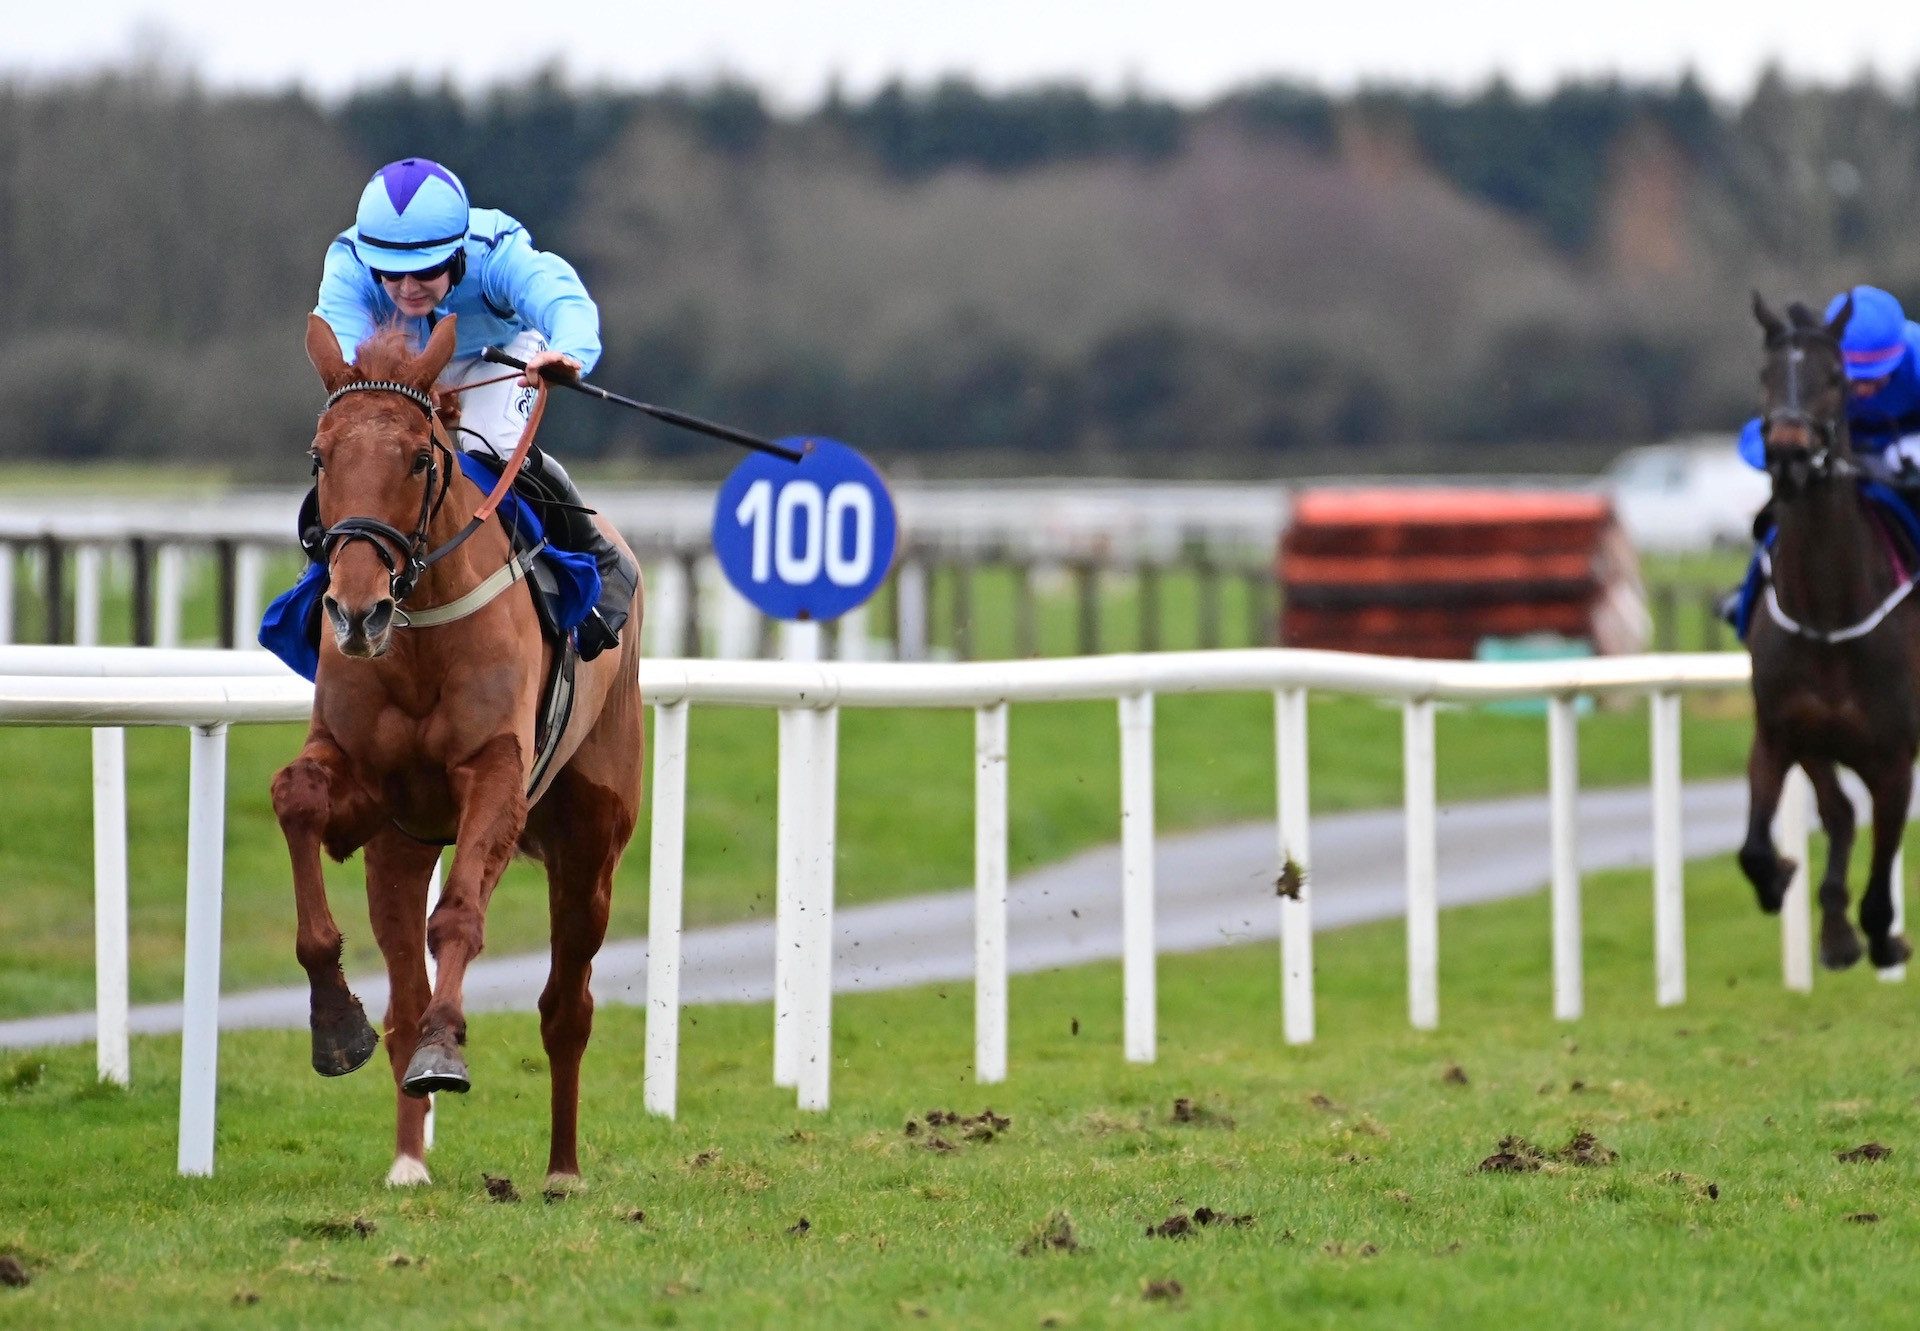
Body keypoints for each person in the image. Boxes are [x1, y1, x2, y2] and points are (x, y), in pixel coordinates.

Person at [313, 157, 637, 660]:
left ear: (457, 254)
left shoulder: (495, 253)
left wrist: (568, 351)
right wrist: (397, 399)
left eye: (424, 271)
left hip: (499, 361)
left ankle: (597, 552)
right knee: (360, 453)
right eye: (391, 276)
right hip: (401, 371)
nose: (406, 289)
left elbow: (561, 299)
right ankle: (325, 573)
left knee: (489, 449)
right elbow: (347, 349)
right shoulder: (349, 263)